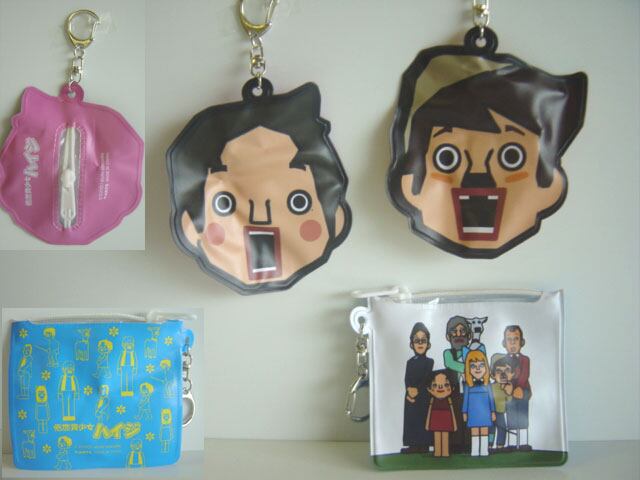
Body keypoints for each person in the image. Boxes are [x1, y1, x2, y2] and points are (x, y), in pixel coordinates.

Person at [401, 322, 434, 453]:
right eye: (417, 340)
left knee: (424, 419)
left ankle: (424, 444)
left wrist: (418, 390)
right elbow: (407, 378)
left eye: (423, 340)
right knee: (411, 419)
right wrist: (409, 390)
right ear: (412, 344)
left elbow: (427, 378)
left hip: (424, 395)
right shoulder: (410, 362)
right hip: (410, 397)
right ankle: (412, 444)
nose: (420, 343)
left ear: (428, 344)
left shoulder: (429, 362)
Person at [442, 316, 470, 453]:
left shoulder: (470, 353)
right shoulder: (448, 353)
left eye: (462, 331)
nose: (459, 335)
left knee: (469, 418)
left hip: (468, 391)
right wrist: (468, 368)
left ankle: (468, 444)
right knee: (455, 418)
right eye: (454, 331)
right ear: (448, 336)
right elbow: (450, 363)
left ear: (468, 335)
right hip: (453, 392)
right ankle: (455, 444)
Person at [502, 325, 532, 451]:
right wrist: (508, 387)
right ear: (504, 343)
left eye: (516, 339)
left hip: (522, 390)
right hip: (509, 392)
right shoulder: (503, 360)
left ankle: (523, 442)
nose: (513, 343)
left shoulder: (525, 359)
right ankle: (512, 443)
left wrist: (518, 388)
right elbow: (502, 375)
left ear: (521, 342)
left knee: (523, 415)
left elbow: (524, 375)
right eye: (509, 339)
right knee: (511, 416)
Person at [462, 350, 496, 456]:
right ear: (468, 369)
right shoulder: (468, 386)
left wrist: (493, 411)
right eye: (473, 366)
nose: (477, 369)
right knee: (475, 431)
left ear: (486, 367)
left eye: (481, 365)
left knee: (485, 430)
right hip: (473, 412)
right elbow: (465, 400)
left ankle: (484, 450)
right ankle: (475, 451)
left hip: (485, 412)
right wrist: (464, 412)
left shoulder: (488, 385)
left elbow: (491, 399)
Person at [489, 355, 518, 452]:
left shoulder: (508, 387)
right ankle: (489, 445)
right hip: (490, 412)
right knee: (491, 429)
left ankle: (500, 445)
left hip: (500, 412)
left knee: (502, 428)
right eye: (498, 371)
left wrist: (509, 393)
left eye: (507, 371)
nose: (503, 374)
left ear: (512, 374)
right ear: (493, 375)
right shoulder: (491, 387)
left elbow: (509, 400)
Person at [425, 370, 457, 457]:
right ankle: (437, 452)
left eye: (446, 385)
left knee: (445, 435)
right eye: (435, 385)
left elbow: (452, 412)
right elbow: (429, 412)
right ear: (429, 389)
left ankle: (445, 452)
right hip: (435, 418)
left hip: (446, 418)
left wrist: (454, 424)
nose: (440, 387)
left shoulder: (449, 400)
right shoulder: (432, 400)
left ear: (452, 388)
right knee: (437, 435)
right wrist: (427, 424)